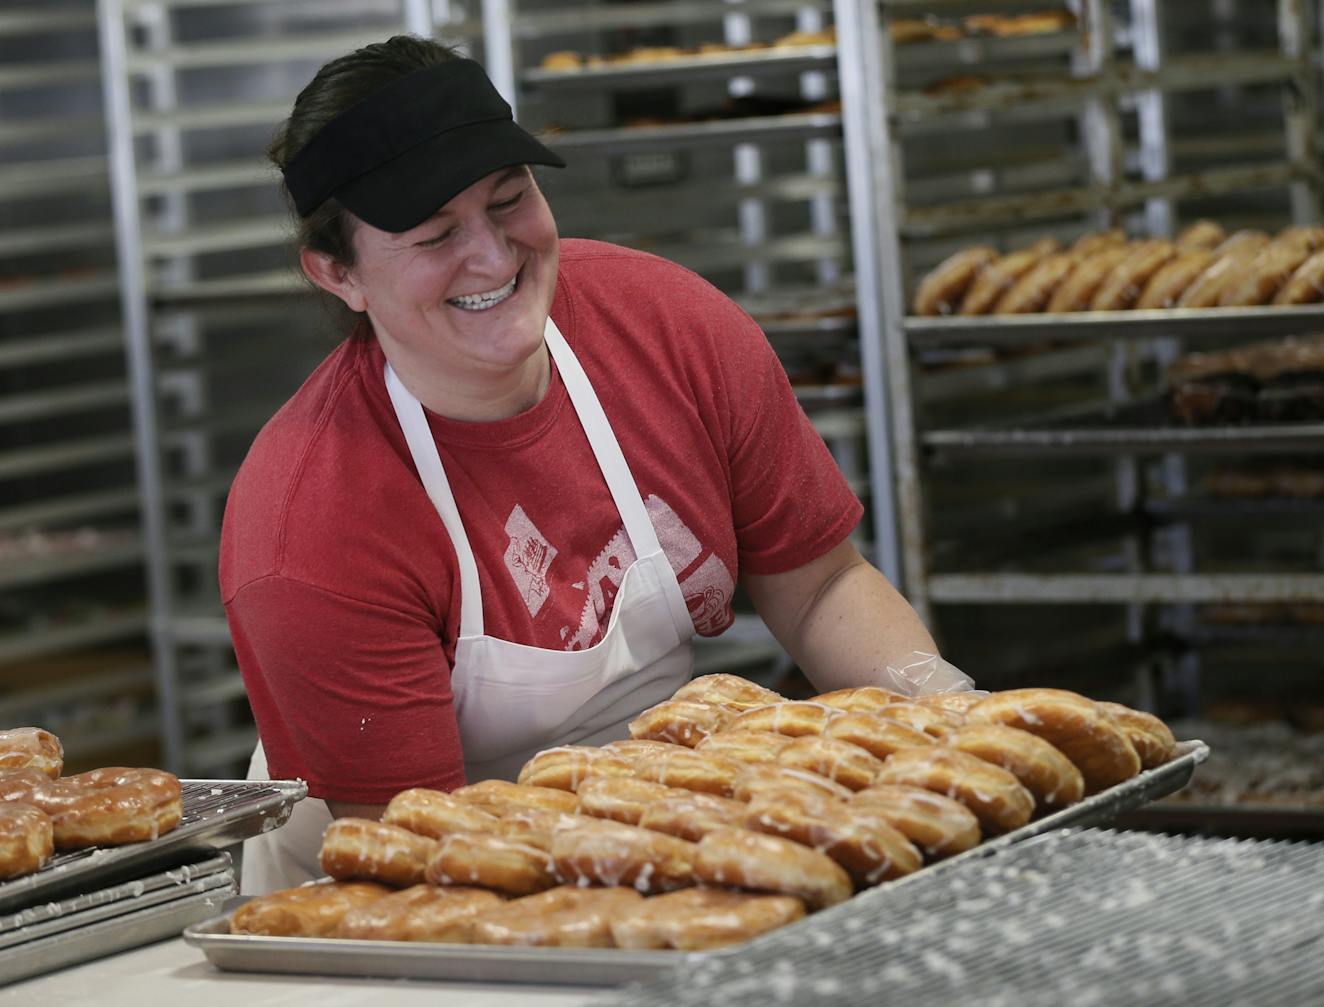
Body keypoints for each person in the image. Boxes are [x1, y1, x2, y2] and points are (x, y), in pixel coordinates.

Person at [219, 35, 947, 892]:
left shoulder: (667, 329)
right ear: (337, 273)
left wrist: (946, 724)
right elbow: (420, 855)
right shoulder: (312, 528)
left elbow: (820, 587)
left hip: (645, 831)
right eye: (435, 233)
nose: (492, 256)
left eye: (508, 199)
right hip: (400, 904)